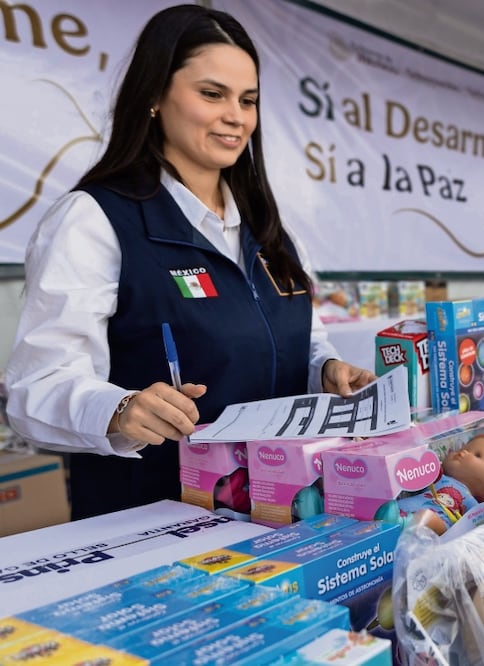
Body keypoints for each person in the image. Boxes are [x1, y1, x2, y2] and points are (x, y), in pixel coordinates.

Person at [4, 5, 374, 520]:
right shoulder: (95, 220)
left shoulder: (271, 232)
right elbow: (35, 389)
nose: (236, 116)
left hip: (284, 513)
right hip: (158, 527)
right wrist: (120, 410)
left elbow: (300, 342)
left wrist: (326, 370)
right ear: (154, 95)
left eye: (248, 100)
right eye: (212, 94)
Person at [376, 433, 484, 533]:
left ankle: (401, 524)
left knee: (431, 519)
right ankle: (392, 520)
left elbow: (474, 526)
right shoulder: (439, 478)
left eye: (477, 454)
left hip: (439, 525)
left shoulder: (472, 503)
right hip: (404, 509)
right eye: (464, 448)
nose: (463, 452)